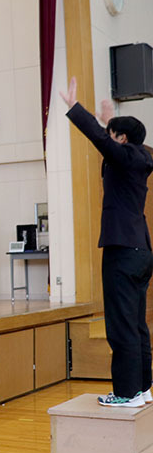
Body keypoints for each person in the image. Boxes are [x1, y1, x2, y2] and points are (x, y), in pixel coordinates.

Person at [61, 77, 153, 407]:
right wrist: (106, 121)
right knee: (137, 324)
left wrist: (75, 108)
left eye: (114, 133)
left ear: (123, 138)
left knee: (121, 324)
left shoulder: (126, 158)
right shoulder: (139, 159)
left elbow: (104, 143)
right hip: (140, 250)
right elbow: (110, 144)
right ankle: (142, 389)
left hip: (123, 251)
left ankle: (127, 393)